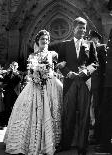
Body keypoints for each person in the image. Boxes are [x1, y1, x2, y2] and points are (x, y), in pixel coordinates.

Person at [3, 30, 63, 155]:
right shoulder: (32, 56)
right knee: (30, 111)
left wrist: (47, 73)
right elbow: (30, 72)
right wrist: (36, 76)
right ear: (37, 41)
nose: (45, 41)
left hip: (50, 84)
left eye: (46, 39)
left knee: (52, 109)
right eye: (42, 39)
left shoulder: (53, 54)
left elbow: (55, 68)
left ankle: (52, 141)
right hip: (35, 84)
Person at [49, 17, 98, 155]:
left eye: (84, 28)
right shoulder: (64, 44)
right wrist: (67, 72)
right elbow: (60, 63)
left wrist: (86, 71)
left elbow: (95, 63)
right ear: (74, 28)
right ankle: (66, 144)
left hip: (84, 82)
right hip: (70, 82)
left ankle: (82, 146)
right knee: (68, 114)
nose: (82, 30)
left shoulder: (90, 44)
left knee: (84, 115)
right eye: (80, 27)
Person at [88, 30, 107, 145]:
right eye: (90, 38)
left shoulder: (101, 47)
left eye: (93, 38)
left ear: (97, 39)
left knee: (98, 108)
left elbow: (104, 65)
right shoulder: (89, 50)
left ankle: (98, 136)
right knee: (94, 108)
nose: (91, 40)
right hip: (92, 82)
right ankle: (96, 134)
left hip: (100, 83)